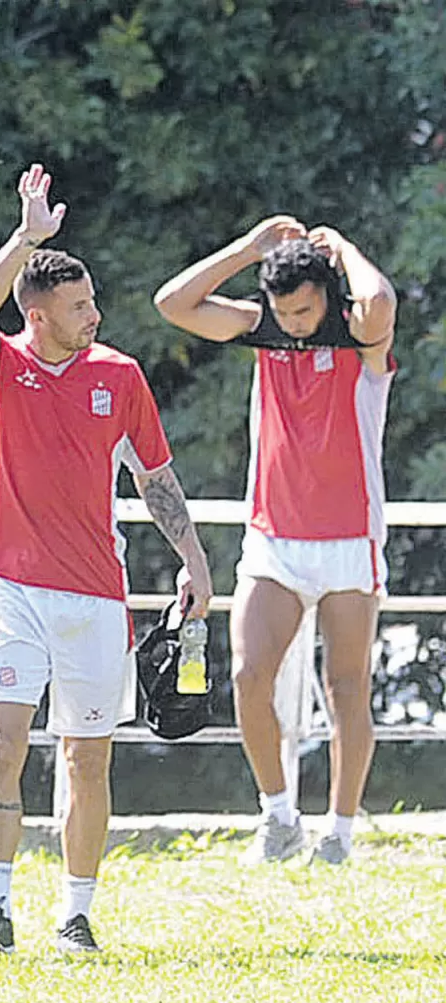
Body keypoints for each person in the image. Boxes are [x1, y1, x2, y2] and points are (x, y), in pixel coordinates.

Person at [0, 164, 213, 956]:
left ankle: (76, 913)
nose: (93, 315)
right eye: (77, 306)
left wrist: (195, 561)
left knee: (86, 755)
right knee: (2, 743)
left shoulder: (121, 375)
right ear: (36, 314)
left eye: (94, 302)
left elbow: (156, 478)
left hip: (100, 595)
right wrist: (26, 237)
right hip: (9, 588)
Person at [153, 216, 397, 865]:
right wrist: (247, 248)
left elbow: (381, 301)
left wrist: (340, 245)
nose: (293, 321)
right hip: (274, 539)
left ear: (327, 295)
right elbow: (172, 304)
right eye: (284, 310)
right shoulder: (260, 328)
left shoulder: (358, 336)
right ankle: (279, 817)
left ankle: (340, 833)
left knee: (347, 686)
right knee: (247, 675)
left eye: (305, 308)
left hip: (350, 538)